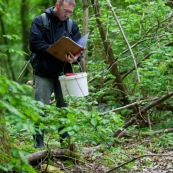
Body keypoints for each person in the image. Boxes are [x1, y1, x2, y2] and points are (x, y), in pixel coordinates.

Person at [29, 0, 82, 148]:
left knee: (64, 110)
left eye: (70, 12)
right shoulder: (40, 21)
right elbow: (34, 44)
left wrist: (76, 57)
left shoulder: (72, 25)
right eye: (65, 10)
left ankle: (65, 145)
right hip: (43, 72)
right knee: (41, 109)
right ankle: (38, 145)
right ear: (57, 5)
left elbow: (79, 48)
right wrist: (55, 50)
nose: (67, 14)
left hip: (64, 74)